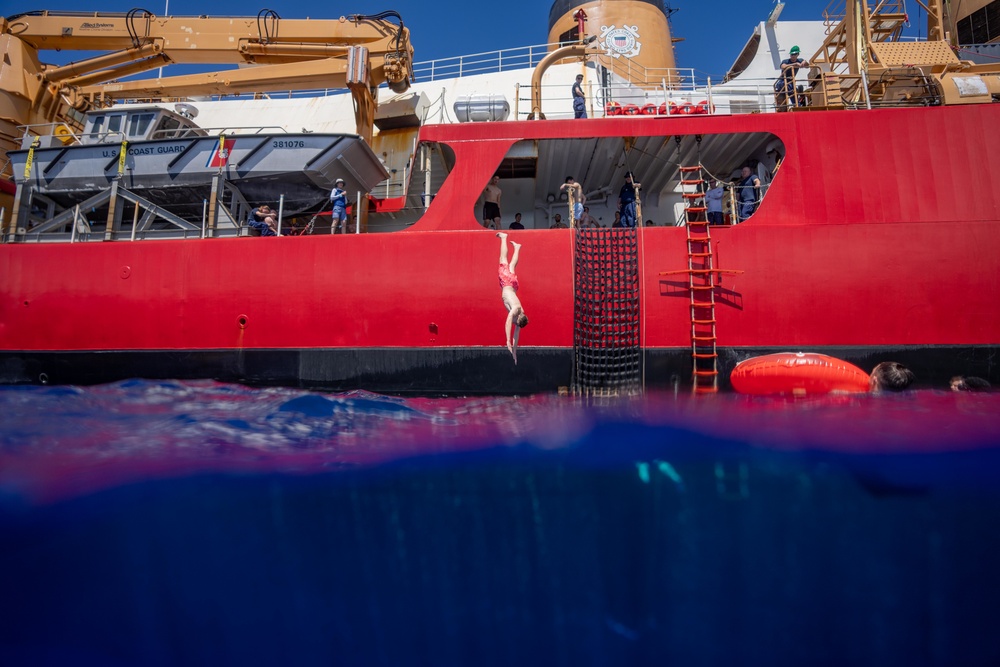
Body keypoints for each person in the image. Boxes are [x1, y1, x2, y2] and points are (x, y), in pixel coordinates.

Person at [496, 232, 528, 363]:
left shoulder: (521, 315)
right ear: (519, 317)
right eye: (516, 322)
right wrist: (507, 340)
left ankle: (517, 247)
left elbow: (517, 334)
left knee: (512, 266)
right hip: (507, 283)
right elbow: (509, 321)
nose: (515, 324)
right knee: (503, 261)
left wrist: (514, 351)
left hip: (513, 285)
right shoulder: (516, 309)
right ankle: (504, 238)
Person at [775, 45, 810, 110]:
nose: (793, 56)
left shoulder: (800, 60)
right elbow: (783, 66)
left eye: (794, 54)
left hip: (791, 82)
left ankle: (797, 105)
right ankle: (797, 104)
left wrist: (804, 62)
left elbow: (807, 66)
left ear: (798, 54)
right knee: (790, 88)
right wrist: (794, 64)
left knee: (793, 90)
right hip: (782, 82)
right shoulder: (786, 61)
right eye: (791, 54)